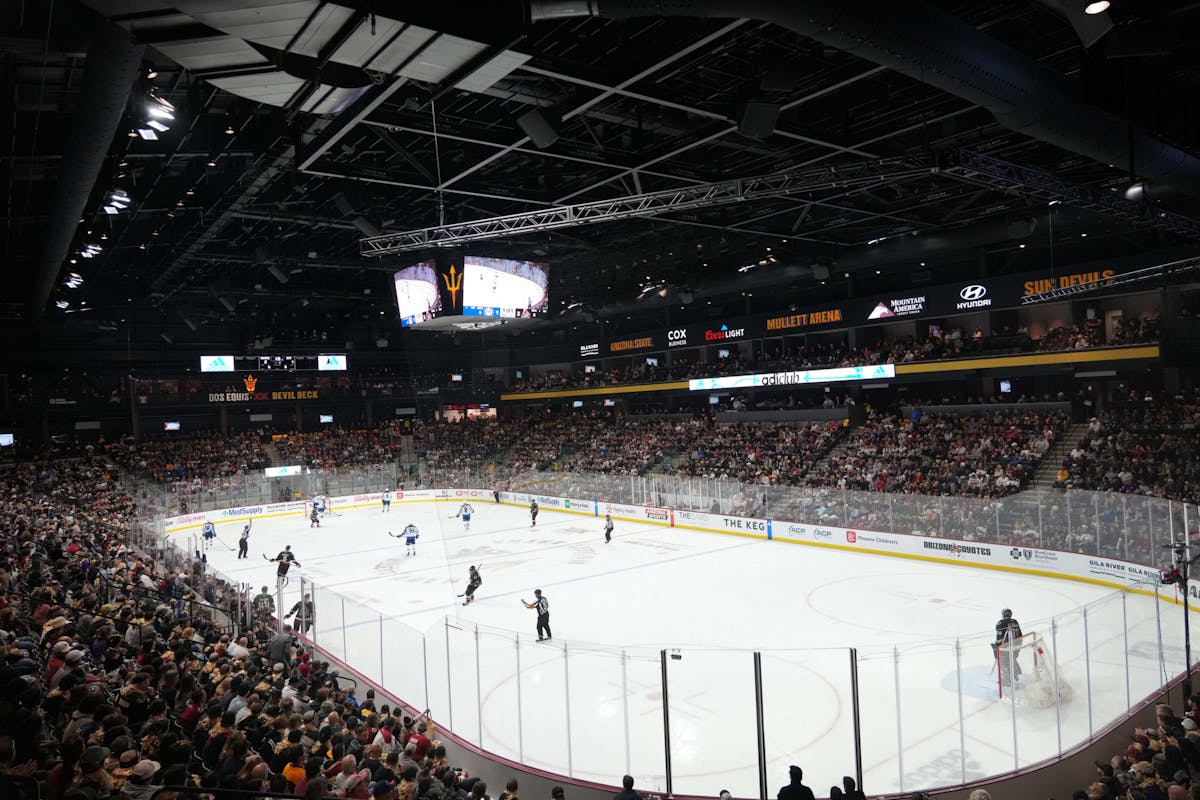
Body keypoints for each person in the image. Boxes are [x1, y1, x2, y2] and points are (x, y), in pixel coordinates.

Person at [993, 608, 1023, 676]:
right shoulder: (1015, 621)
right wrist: (1019, 645)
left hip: (1005, 648)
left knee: (1004, 663)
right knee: (1012, 660)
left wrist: (996, 648)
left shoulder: (1000, 623)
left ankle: (1007, 679)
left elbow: (999, 639)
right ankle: (1016, 674)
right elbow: (1020, 635)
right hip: (1016, 647)